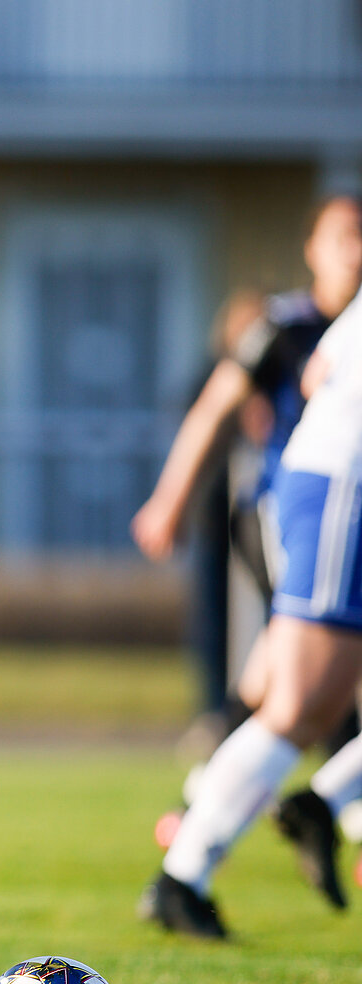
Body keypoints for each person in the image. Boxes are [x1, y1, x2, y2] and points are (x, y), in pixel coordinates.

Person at [131, 196, 362, 825]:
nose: (355, 251)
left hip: (346, 522)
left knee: (278, 679)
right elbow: (213, 408)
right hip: (289, 515)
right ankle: (330, 813)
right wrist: (169, 500)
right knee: (318, 674)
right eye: (342, 236)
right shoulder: (285, 325)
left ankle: (201, 807)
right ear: (312, 248)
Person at [142, 288, 362, 938]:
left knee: (294, 697)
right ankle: (183, 876)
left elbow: (324, 366)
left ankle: (321, 803)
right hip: (343, 489)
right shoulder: (285, 319)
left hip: (333, 485)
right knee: (299, 705)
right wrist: (170, 500)